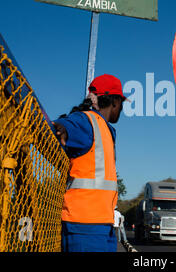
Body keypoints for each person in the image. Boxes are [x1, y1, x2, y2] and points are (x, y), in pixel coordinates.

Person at [53, 74, 127, 252]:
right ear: (115, 101)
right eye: (121, 103)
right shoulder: (87, 121)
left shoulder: (102, 127)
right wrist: (63, 128)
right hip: (84, 226)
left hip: (99, 224)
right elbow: (66, 125)